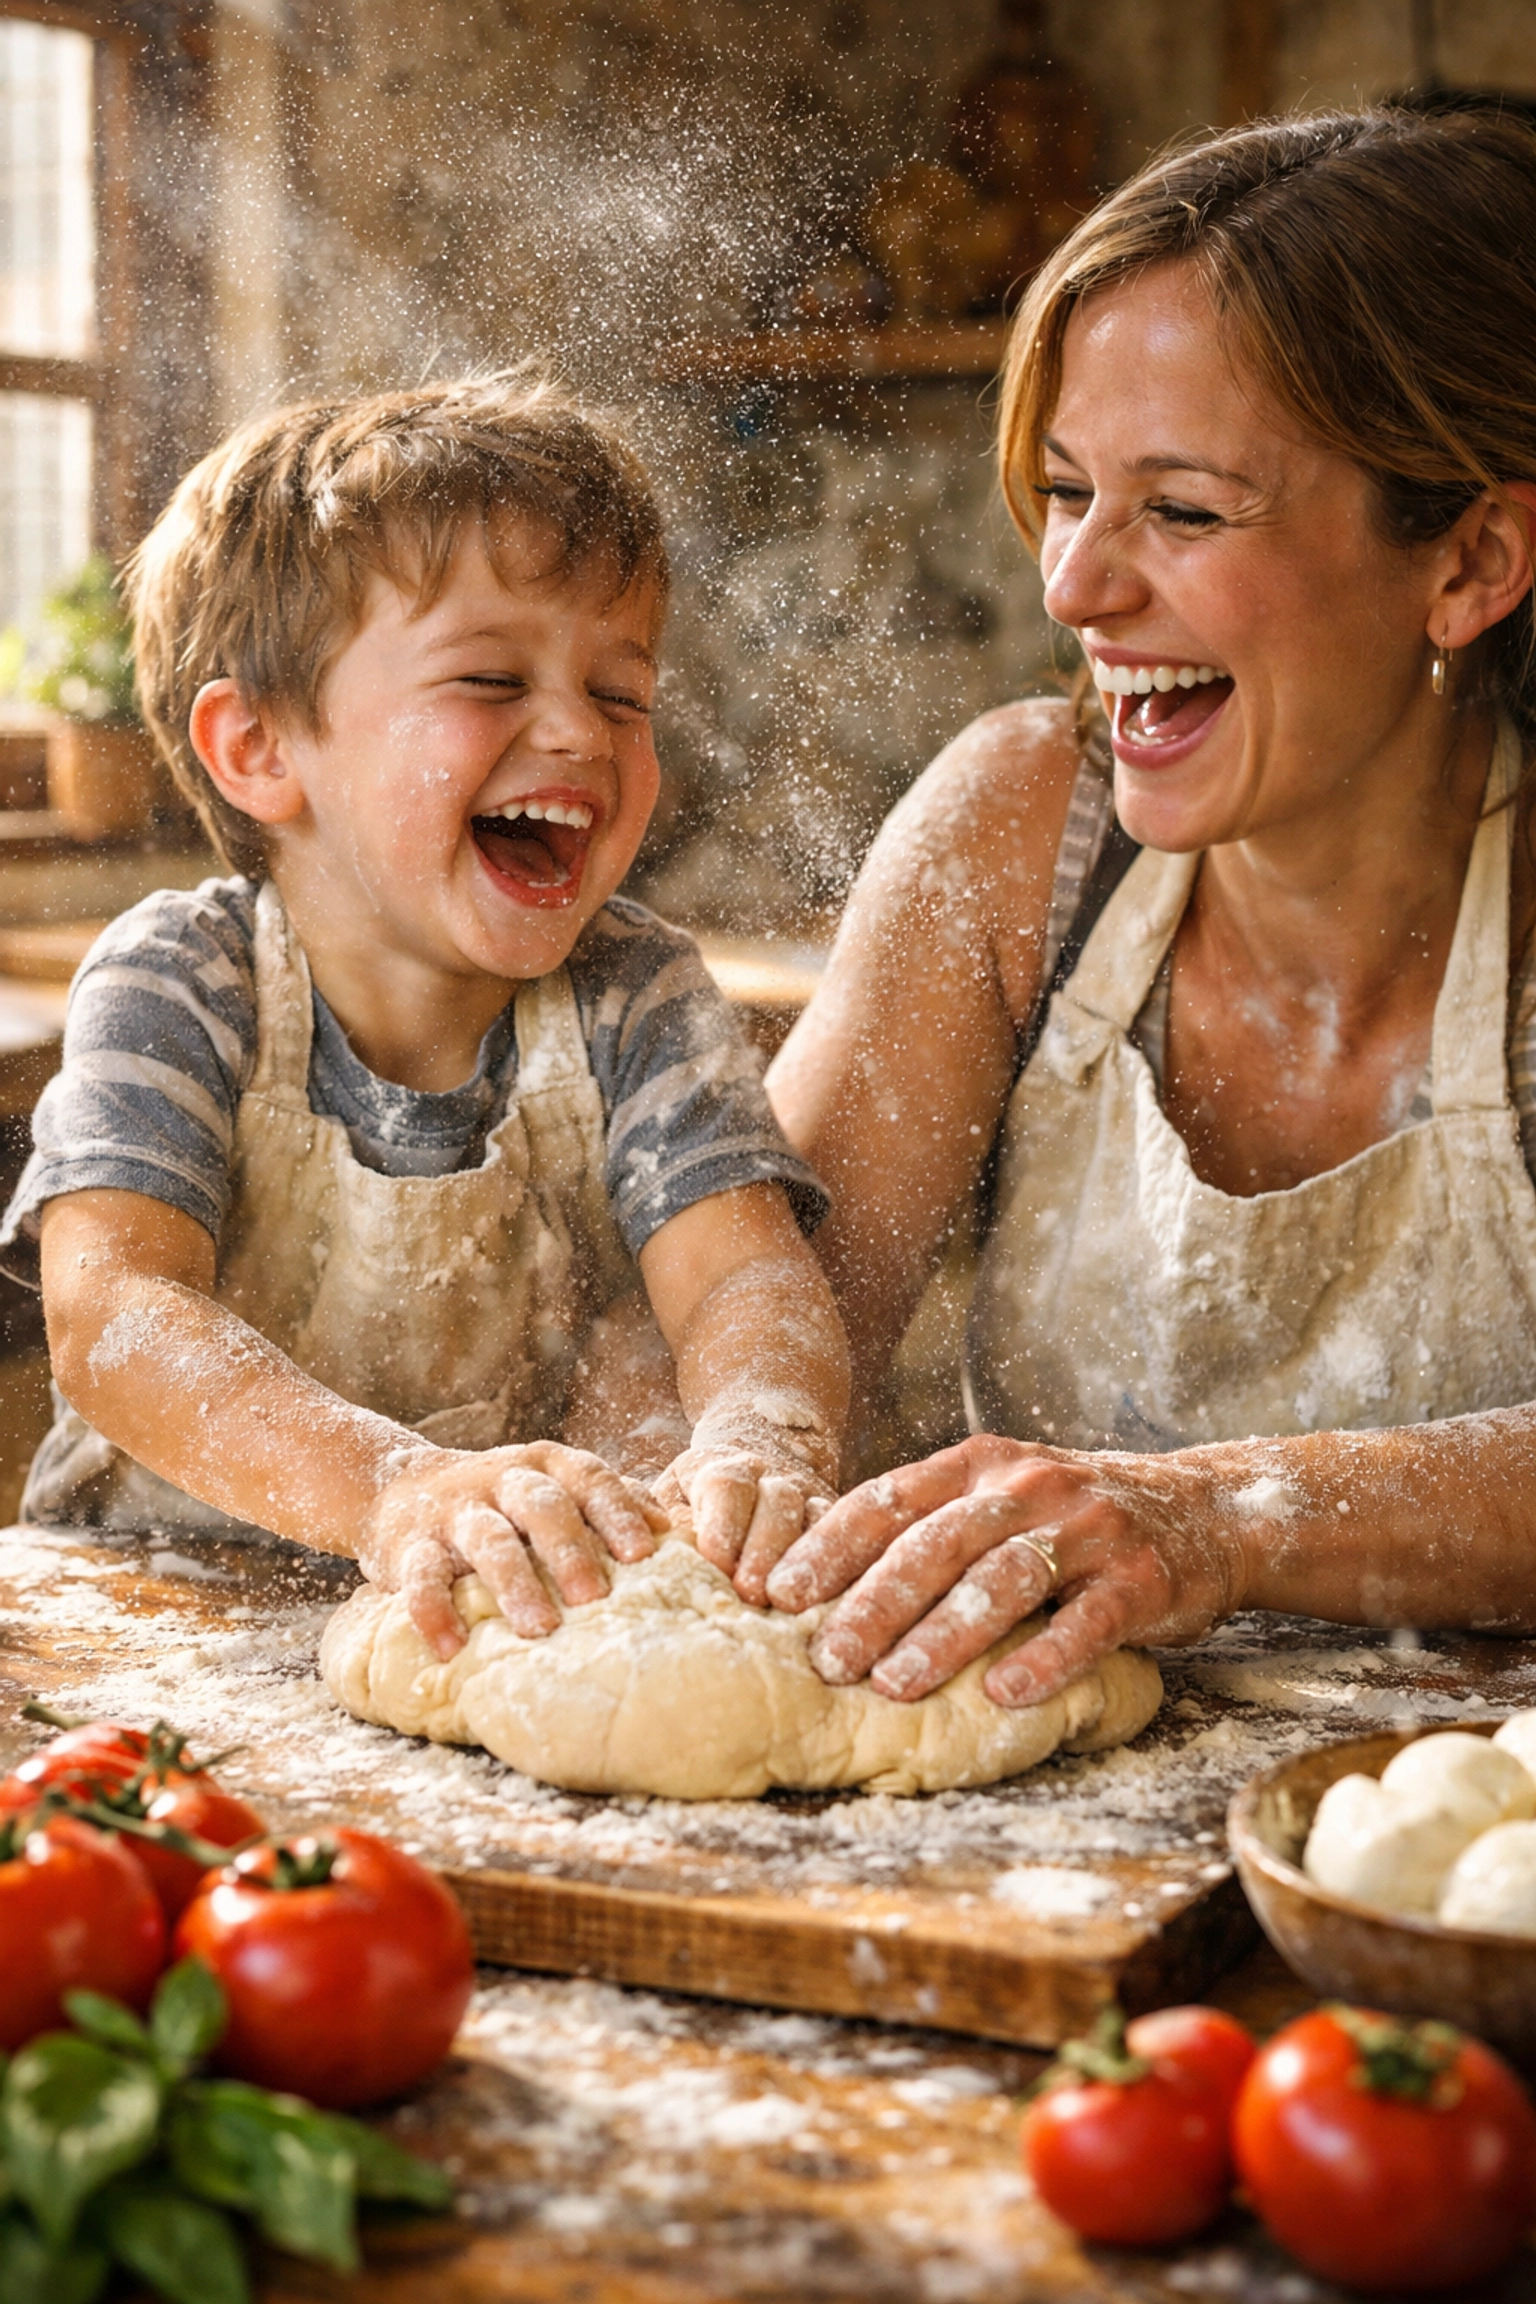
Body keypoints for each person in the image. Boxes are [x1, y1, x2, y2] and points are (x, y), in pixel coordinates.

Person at [764, 106, 1536, 1712]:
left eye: (1181, 511)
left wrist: (1220, 1518)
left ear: (1468, 560)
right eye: (1065, 491)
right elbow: (765, 1319)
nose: (1074, 589)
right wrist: (711, 1463)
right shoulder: (1014, 836)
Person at [0, 377, 848, 1659]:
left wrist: (760, 1436)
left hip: (496, 1633)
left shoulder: (638, 995)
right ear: (261, 749)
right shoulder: (181, 983)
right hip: (154, 1629)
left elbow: (740, 1275)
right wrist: (390, 1486)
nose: (578, 730)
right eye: (492, 678)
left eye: (622, 693)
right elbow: (115, 1315)